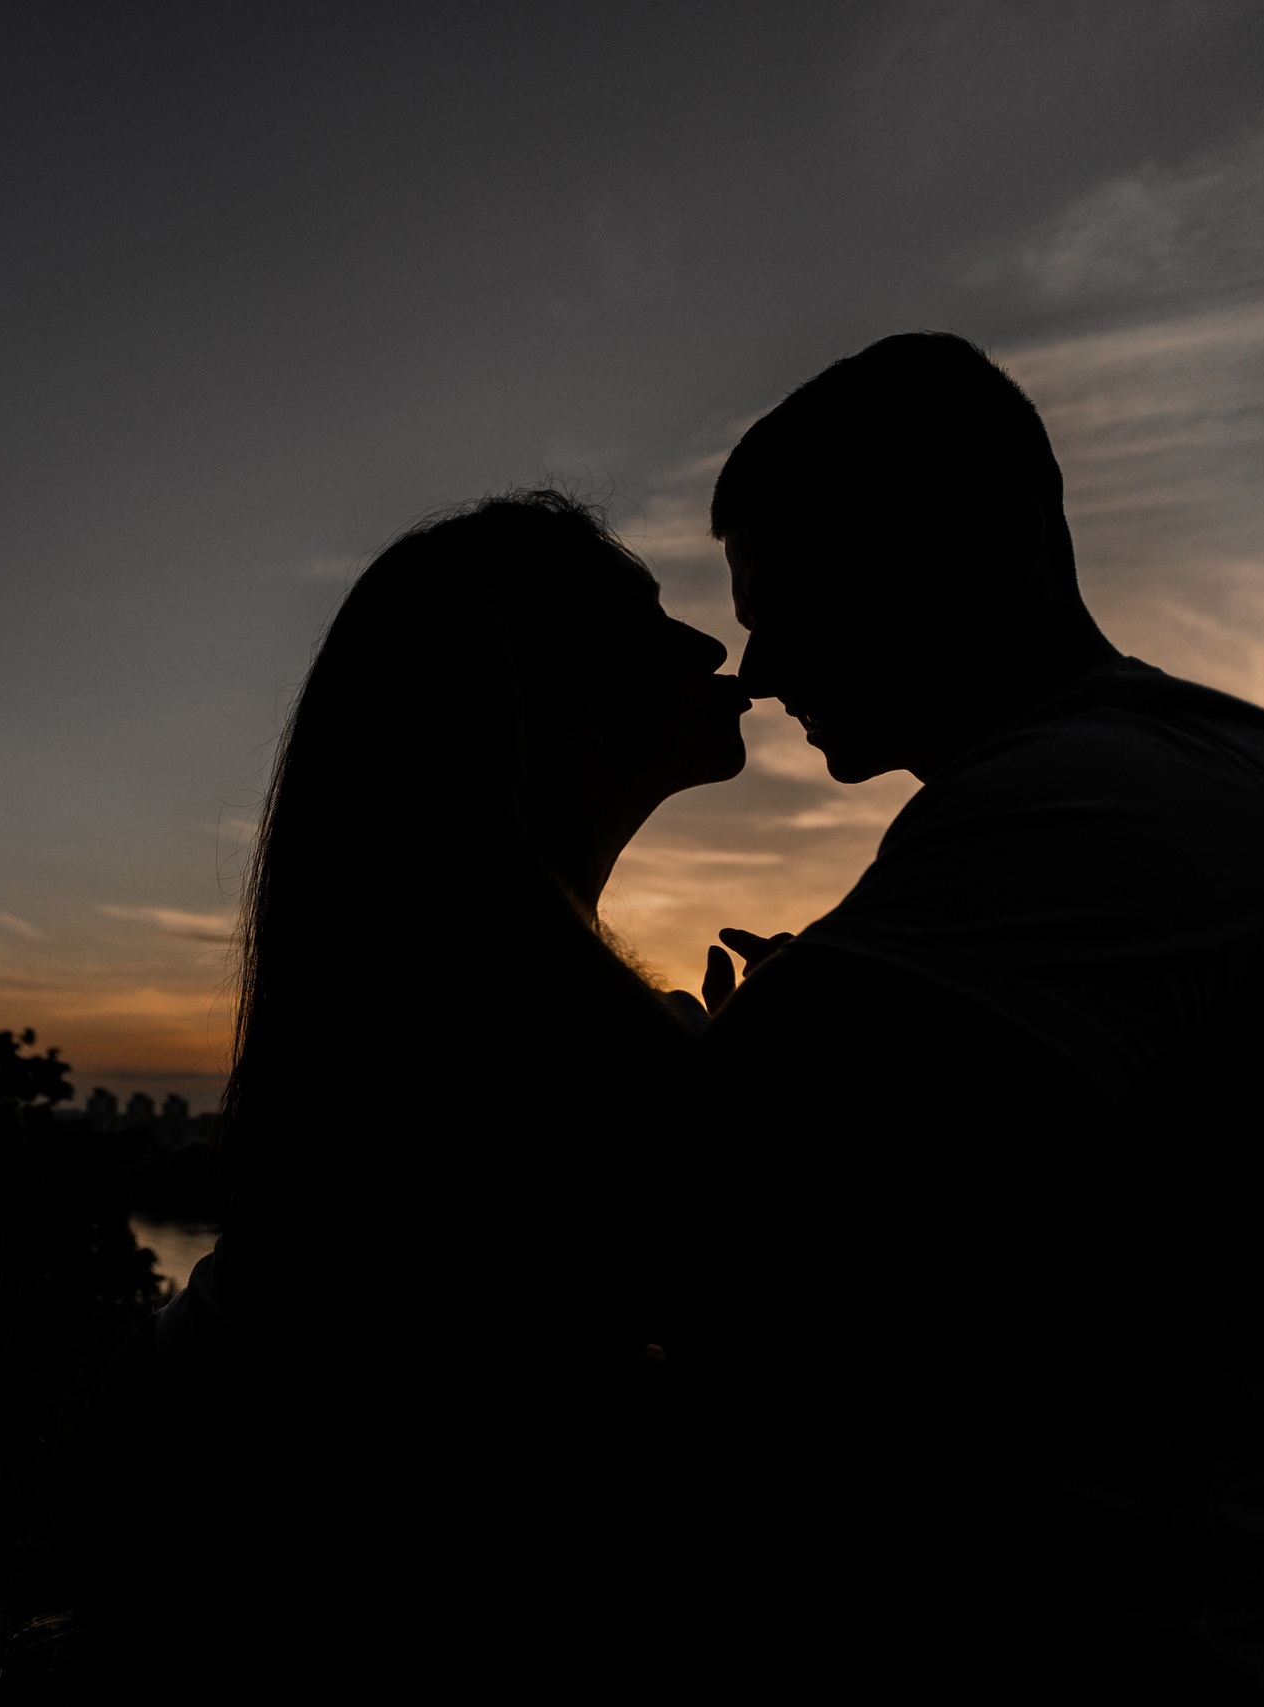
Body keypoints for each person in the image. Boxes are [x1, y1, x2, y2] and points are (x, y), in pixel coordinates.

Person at [684, 332, 1264, 1704]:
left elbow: (710, 1204)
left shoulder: (1098, 797)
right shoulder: (1164, 780)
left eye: (797, 596)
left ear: (997, 542)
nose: (761, 666)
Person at [66, 491, 751, 1693]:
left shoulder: (436, 996)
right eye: (654, 622)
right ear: (566, 710)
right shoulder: (492, 1035)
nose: (711, 647)